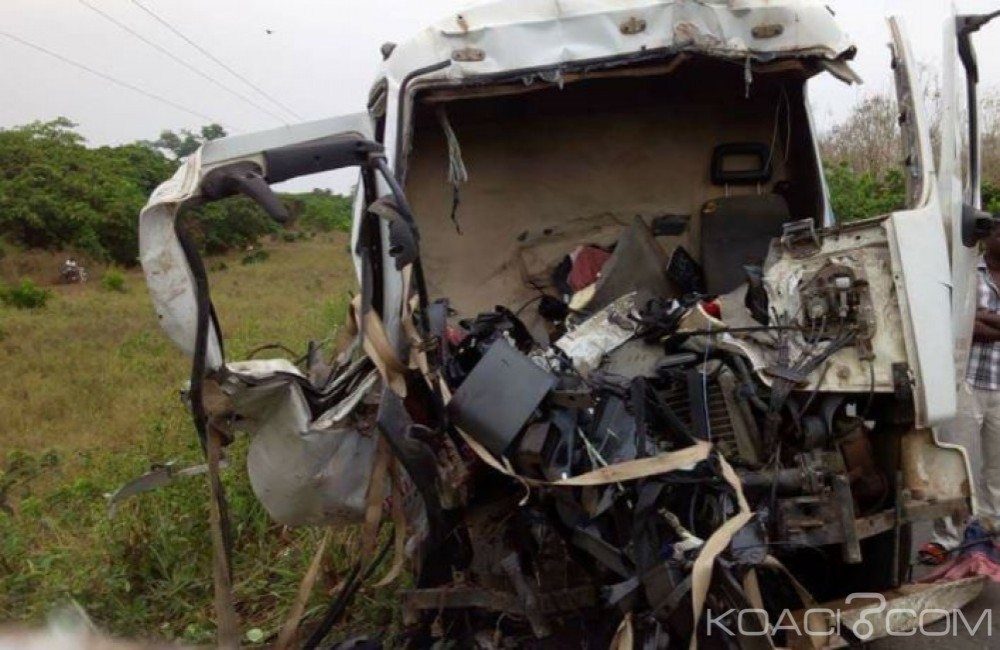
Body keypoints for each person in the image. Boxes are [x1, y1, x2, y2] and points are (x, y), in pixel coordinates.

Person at [927, 222, 1000, 561]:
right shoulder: (966, 272)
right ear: (988, 238)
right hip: (965, 381)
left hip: (998, 384)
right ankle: (948, 539)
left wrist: (984, 321)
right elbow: (955, 319)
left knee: (997, 468)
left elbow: (976, 323)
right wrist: (974, 322)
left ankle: (993, 533)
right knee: (957, 462)